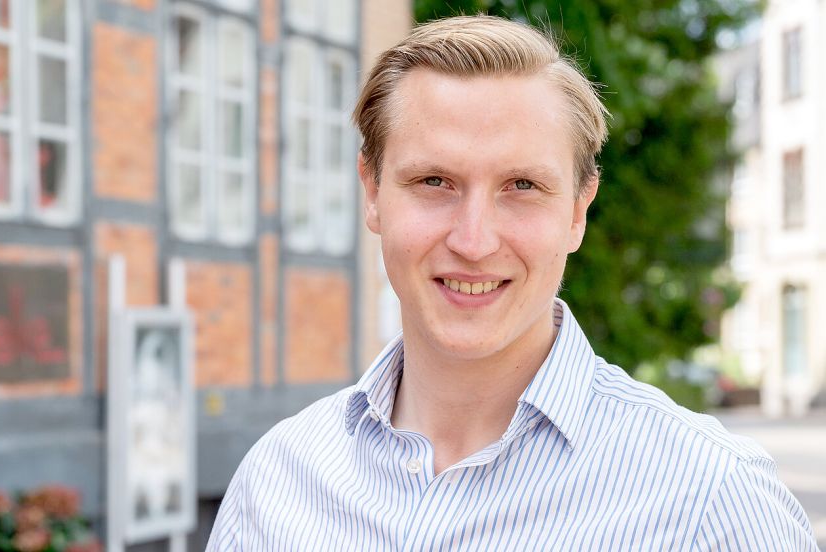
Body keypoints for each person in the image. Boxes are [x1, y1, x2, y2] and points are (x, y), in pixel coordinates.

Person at [207, 15, 818, 551]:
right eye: (434, 182)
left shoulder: (711, 501)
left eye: (522, 186)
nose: (474, 242)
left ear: (578, 211)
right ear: (372, 193)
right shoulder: (276, 483)